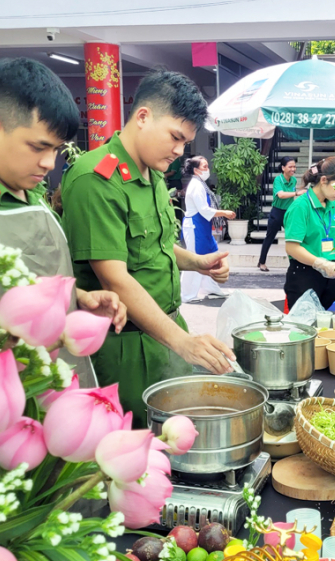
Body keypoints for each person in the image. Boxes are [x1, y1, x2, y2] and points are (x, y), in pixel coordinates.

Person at [60, 71, 235, 425]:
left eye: (186, 142)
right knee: (134, 445)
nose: (179, 150)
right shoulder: (96, 179)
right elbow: (115, 279)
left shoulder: (153, 174)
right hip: (126, 346)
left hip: (166, 331)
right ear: (142, 117)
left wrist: (197, 262)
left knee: (176, 439)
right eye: (175, 137)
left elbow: (158, 246)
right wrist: (184, 342)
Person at [0, 58, 126, 387]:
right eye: (38, 147)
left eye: (56, 149)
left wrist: (79, 299)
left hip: (61, 380)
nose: (49, 162)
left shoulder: (30, 193)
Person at [283, 157, 335, 310]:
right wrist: (320, 263)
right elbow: (292, 247)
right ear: (323, 180)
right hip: (305, 275)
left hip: (331, 273)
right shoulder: (301, 206)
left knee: (325, 327)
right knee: (305, 328)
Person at [180, 156, 235, 302]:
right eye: (204, 166)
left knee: (211, 255)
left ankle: (211, 288)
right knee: (195, 259)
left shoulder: (200, 184)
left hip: (201, 225)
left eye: (207, 165)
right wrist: (224, 212)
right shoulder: (196, 186)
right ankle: (187, 295)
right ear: (196, 170)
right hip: (195, 226)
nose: (207, 169)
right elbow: (204, 210)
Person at [258, 156, 303, 271]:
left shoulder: (293, 180)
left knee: (292, 238)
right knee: (269, 238)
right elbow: (281, 195)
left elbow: (290, 196)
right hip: (277, 212)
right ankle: (261, 262)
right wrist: (297, 193)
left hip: (288, 213)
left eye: (294, 166)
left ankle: (293, 264)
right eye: (290, 167)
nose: (293, 169)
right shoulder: (278, 179)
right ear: (283, 168)